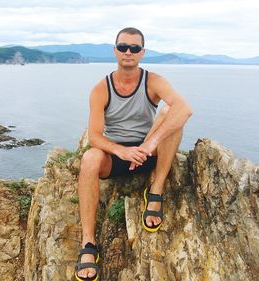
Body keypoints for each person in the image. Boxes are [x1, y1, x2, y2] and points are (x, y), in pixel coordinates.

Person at [75, 27, 193, 281]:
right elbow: (94, 136)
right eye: (123, 47)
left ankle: (156, 192)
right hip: (116, 155)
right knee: (89, 158)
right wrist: (121, 151)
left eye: (135, 48)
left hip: (147, 150)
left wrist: (150, 145)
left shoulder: (153, 81)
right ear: (115, 50)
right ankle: (88, 244)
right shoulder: (101, 89)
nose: (128, 52)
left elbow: (185, 108)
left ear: (142, 52)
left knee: (170, 115)